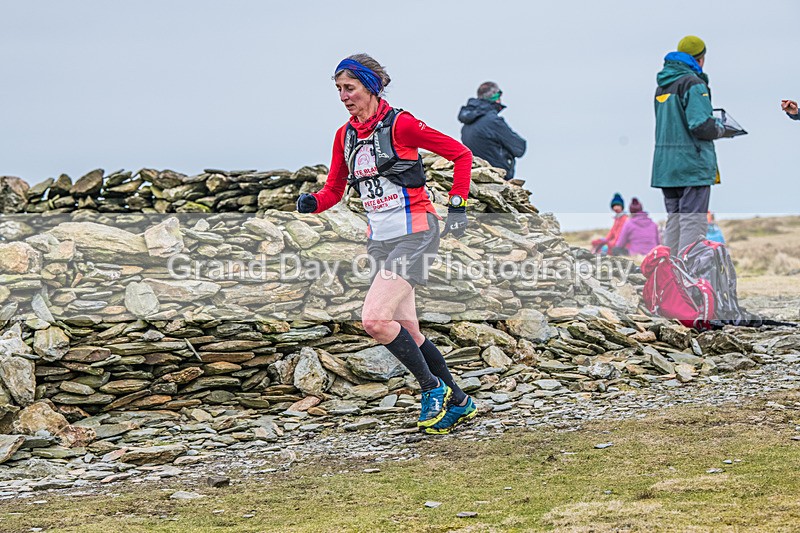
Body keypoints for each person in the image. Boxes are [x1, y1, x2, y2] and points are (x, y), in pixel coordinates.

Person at [296, 54, 477, 435]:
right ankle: (460, 401)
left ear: (371, 87)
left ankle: (432, 389)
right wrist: (314, 202)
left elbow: (461, 154)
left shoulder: (402, 125)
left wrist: (458, 205)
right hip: (379, 241)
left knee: (375, 319)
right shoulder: (344, 136)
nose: (343, 97)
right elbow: (334, 190)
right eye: (338, 89)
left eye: (350, 88)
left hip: (416, 233)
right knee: (408, 329)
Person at [651, 35, 727, 256]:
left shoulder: (663, 85)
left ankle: (670, 272)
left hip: (666, 167)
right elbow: (700, 125)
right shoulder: (693, 83)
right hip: (691, 165)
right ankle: (688, 272)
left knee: (674, 222)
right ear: (700, 59)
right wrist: (721, 128)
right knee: (693, 222)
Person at [457, 82, 526, 180]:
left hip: (474, 174)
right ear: (496, 97)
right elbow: (519, 148)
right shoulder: (493, 121)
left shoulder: (467, 124)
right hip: (496, 175)